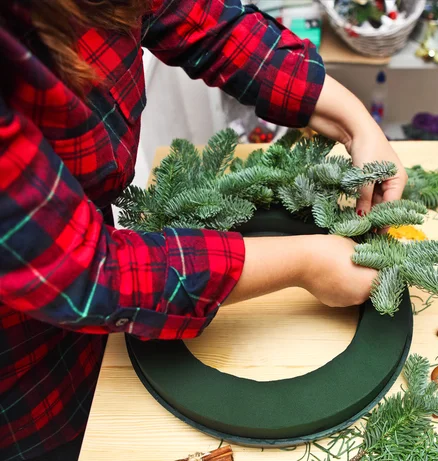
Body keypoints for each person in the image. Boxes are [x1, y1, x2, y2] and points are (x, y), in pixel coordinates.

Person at [0, 0, 407, 459]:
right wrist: (306, 263)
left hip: (96, 279)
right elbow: (85, 272)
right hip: (20, 366)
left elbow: (202, 20)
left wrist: (355, 121)